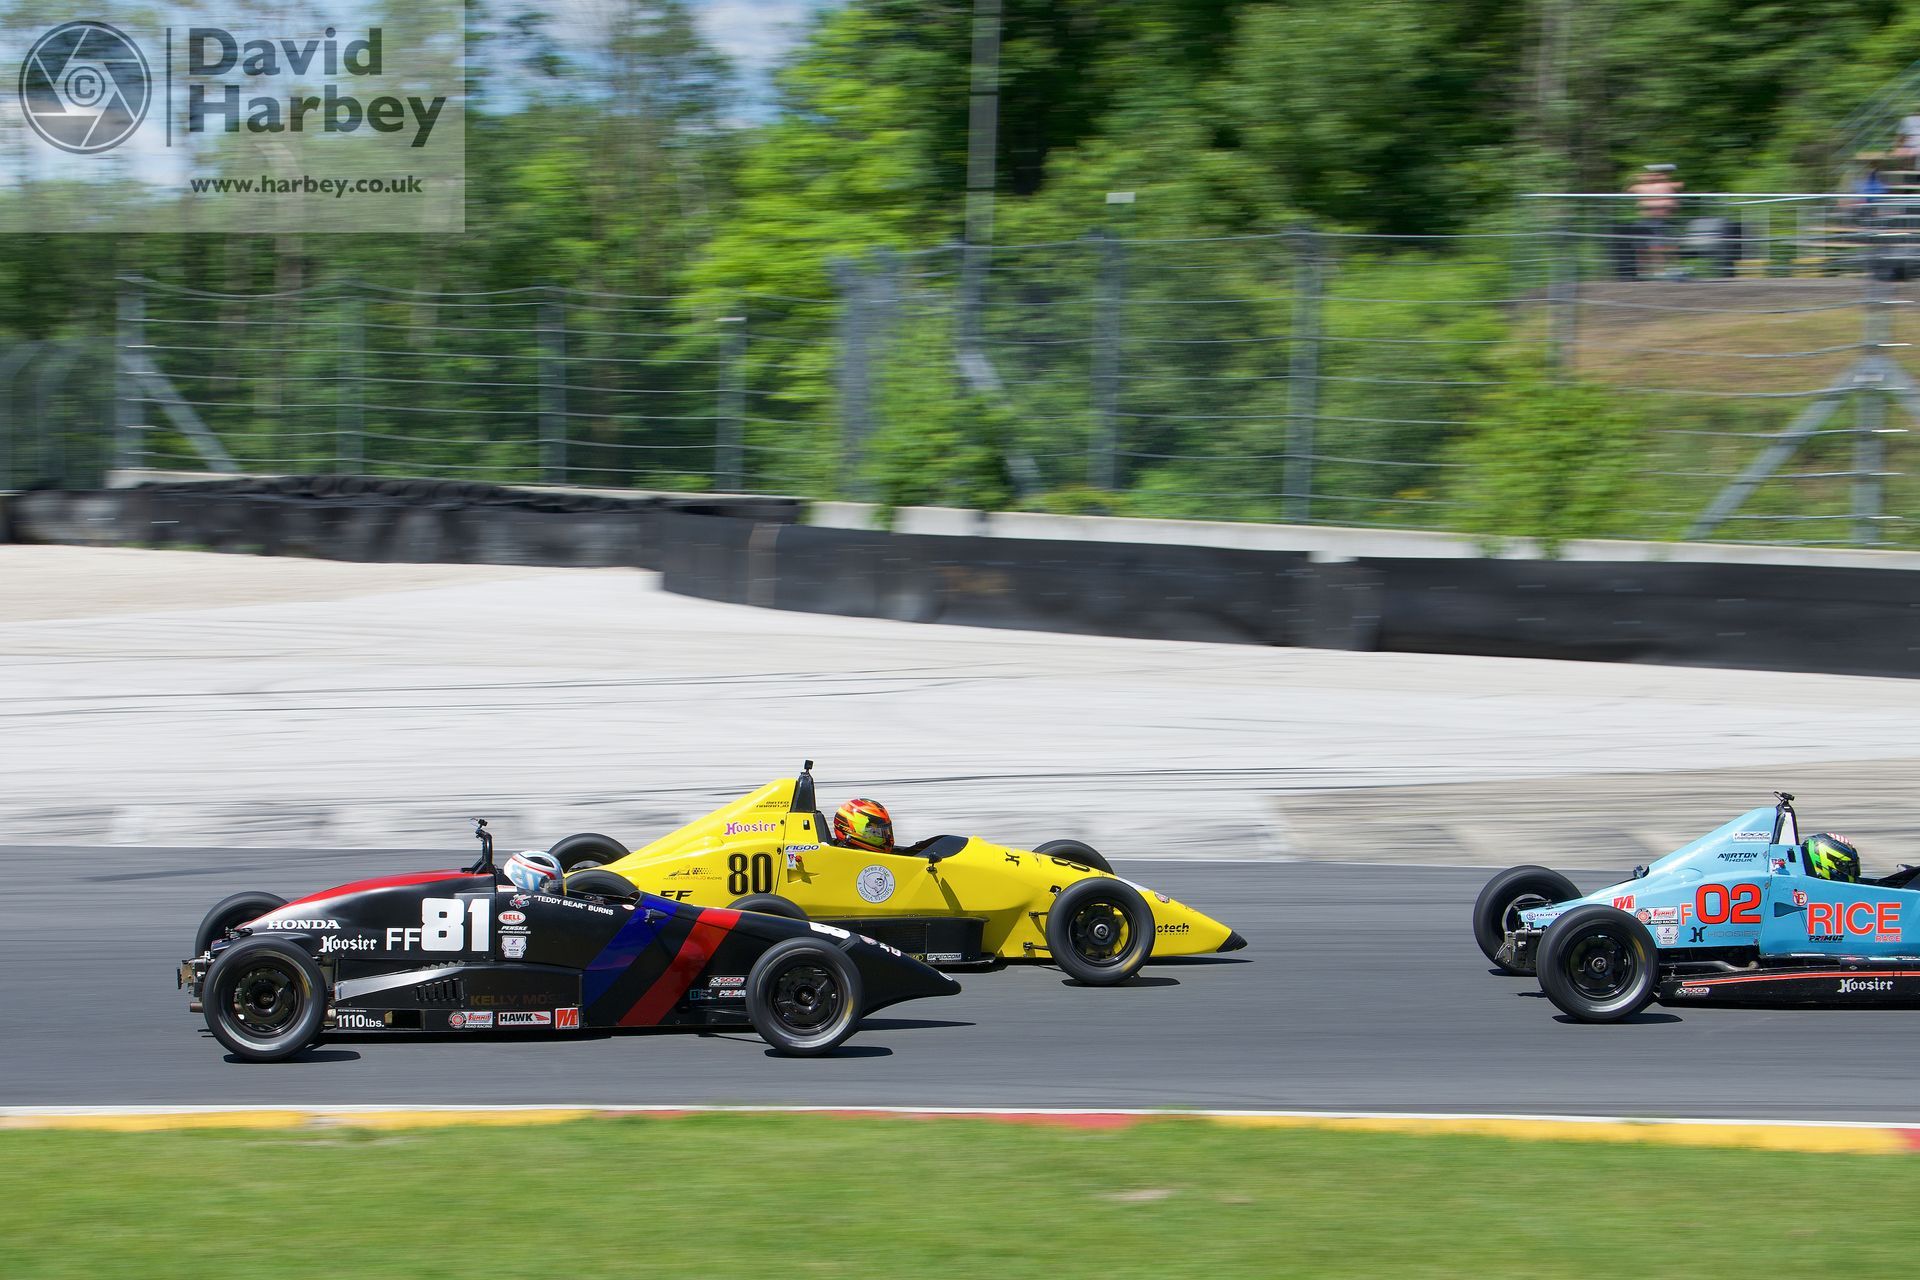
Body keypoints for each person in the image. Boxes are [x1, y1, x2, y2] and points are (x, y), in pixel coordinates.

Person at [1627, 164, 1683, 277]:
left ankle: (1665, 270)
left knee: (1665, 246)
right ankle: (1645, 273)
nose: (1652, 176)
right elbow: (1629, 190)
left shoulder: (1665, 185)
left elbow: (1679, 187)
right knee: (1642, 247)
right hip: (1646, 220)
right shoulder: (1640, 186)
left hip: (1662, 220)